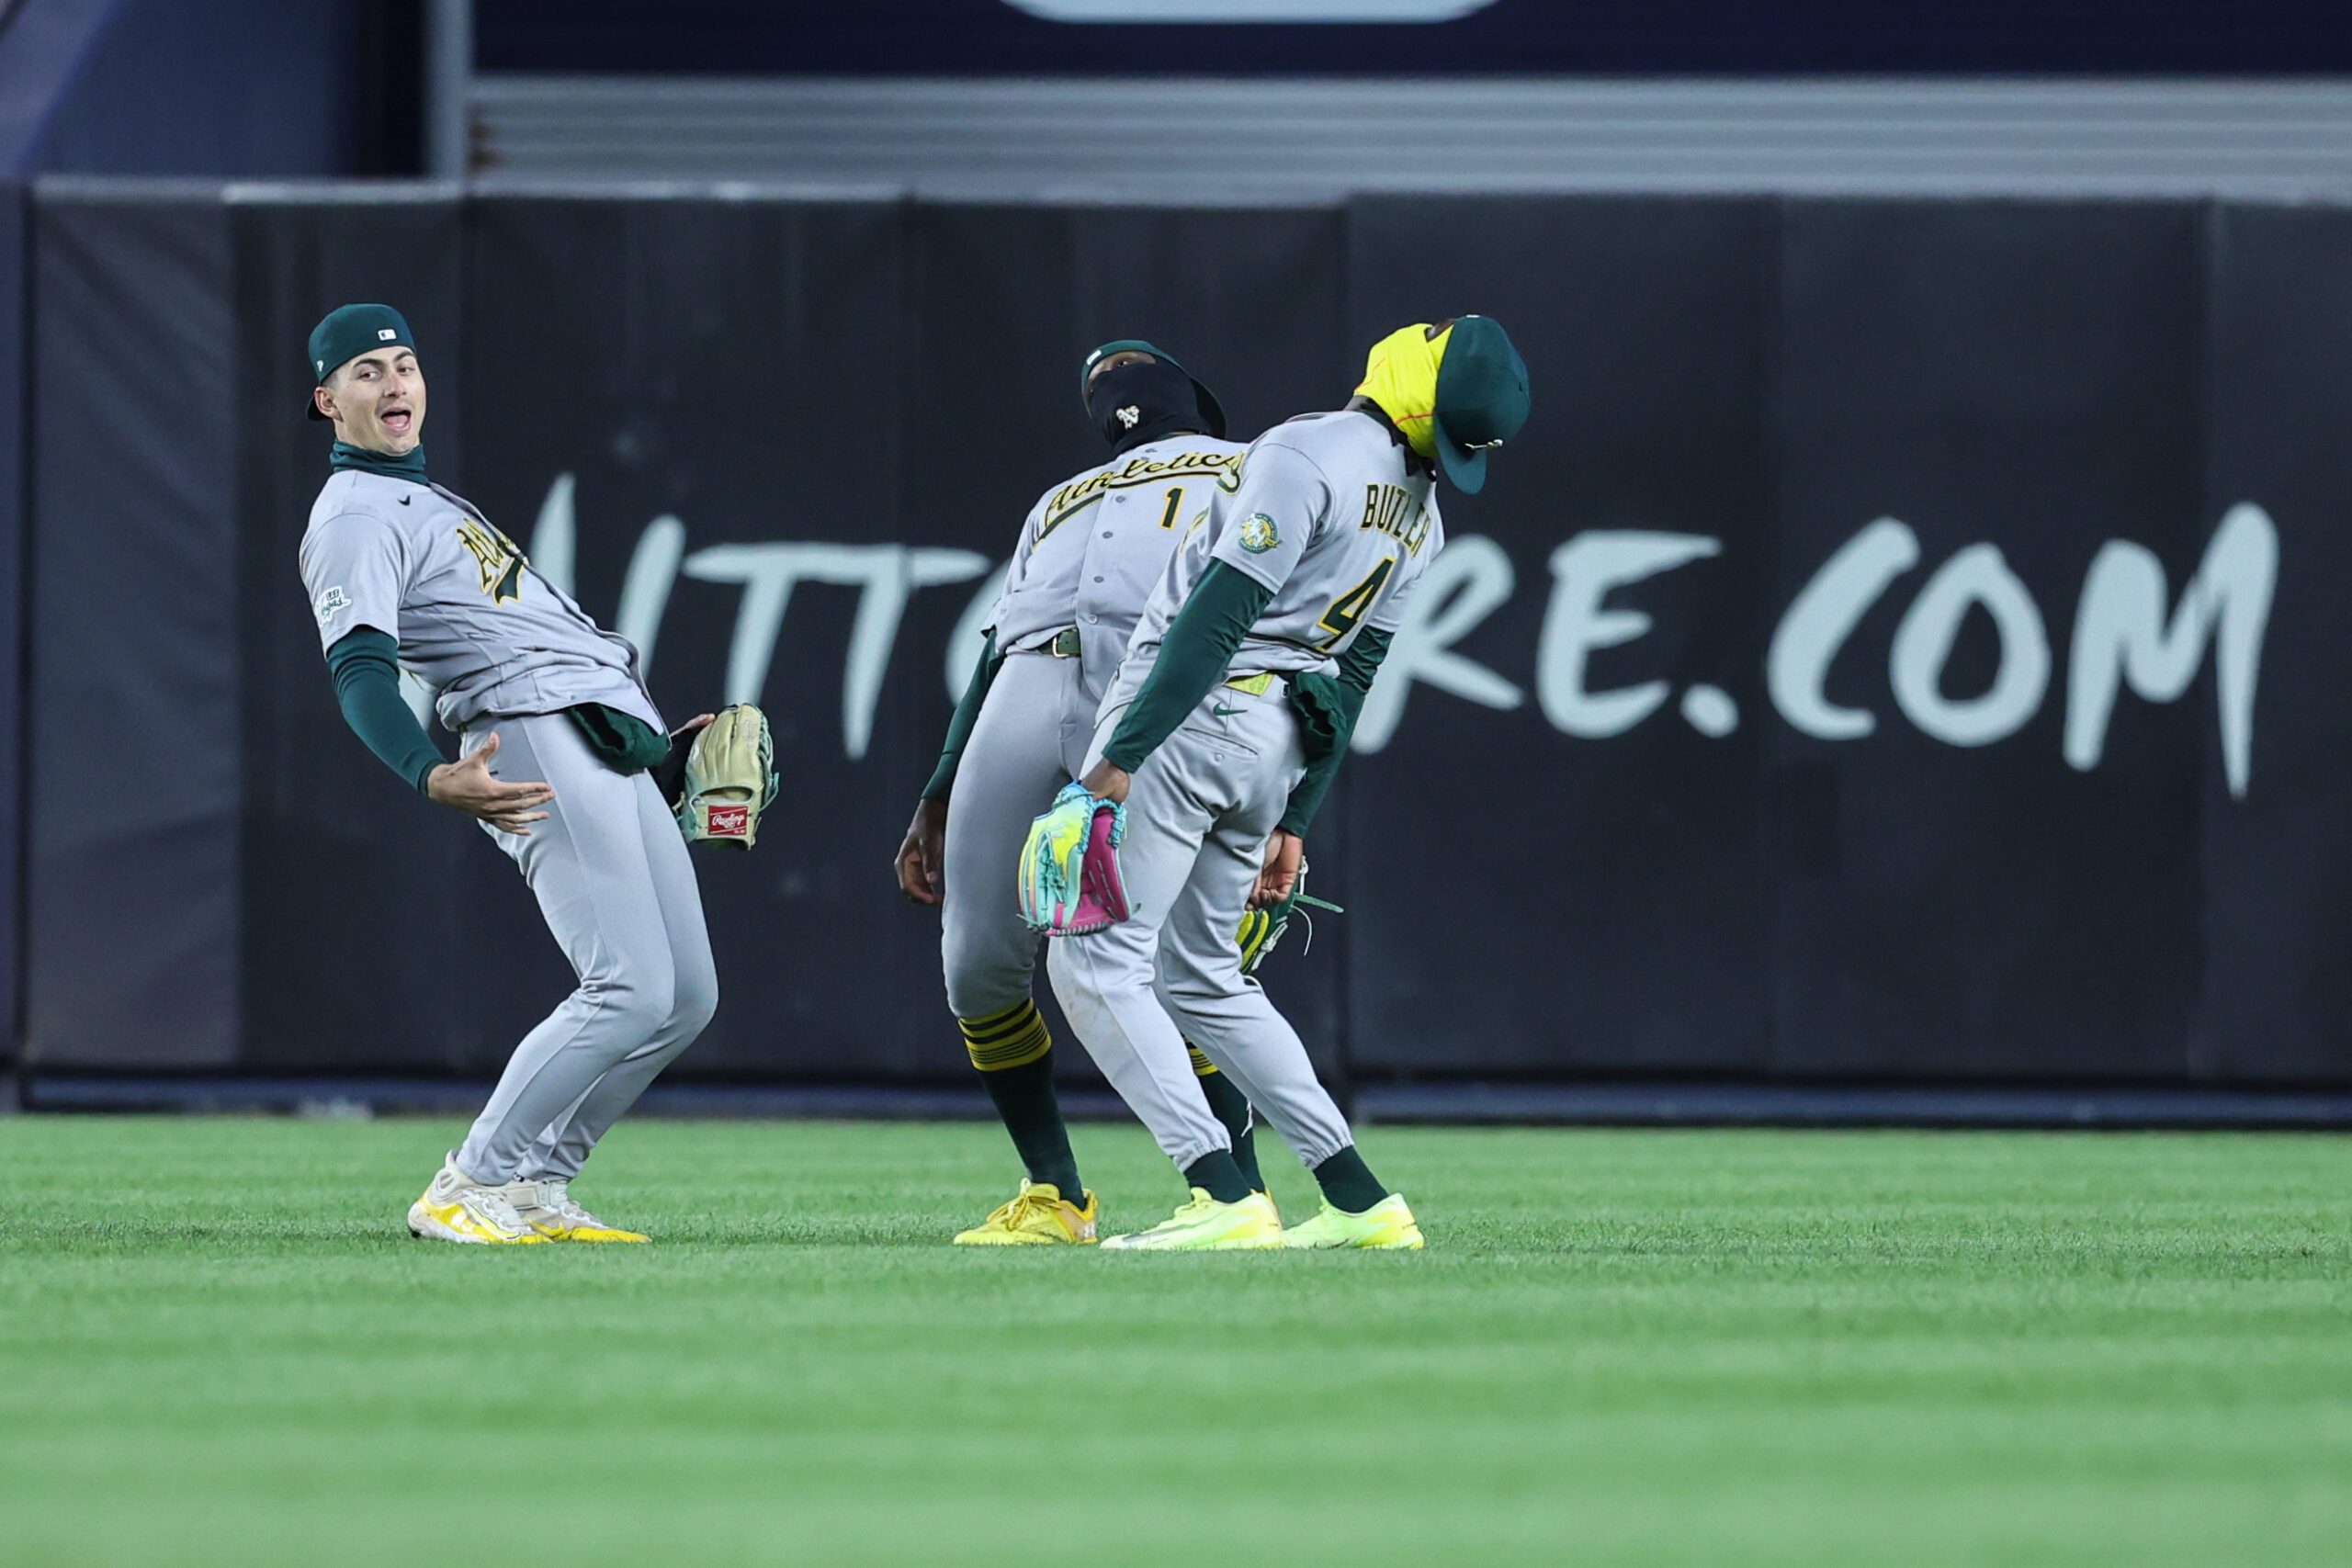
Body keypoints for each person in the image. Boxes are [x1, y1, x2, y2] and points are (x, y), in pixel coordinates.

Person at [1044, 316, 1531, 1251]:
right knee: (1204, 978)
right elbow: (1352, 679)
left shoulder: (1308, 452)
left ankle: (1220, 1194)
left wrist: (1114, 766)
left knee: (1091, 957)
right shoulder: (1420, 516)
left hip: (1196, 716)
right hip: (1274, 745)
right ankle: (1359, 1201)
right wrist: (1295, 817)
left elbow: (1215, 619)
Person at [296, 303, 721, 1246]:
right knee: (627, 986)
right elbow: (359, 668)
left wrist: (659, 751)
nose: (393, 383)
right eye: (366, 372)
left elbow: (546, 640)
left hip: (587, 727)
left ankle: (534, 1186)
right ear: (327, 401)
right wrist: (423, 772)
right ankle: (469, 1181)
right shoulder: (355, 514)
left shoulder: (423, 498)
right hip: (522, 734)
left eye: (403, 364)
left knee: (685, 996)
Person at [894, 341, 1282, 1245]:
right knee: (974, 962)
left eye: (1132, 370)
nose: (1115, 384)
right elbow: (995, 647)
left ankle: (1238, 1196)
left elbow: (1284, 631)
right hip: (1030, 685)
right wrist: (939, 786)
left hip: (1159, 688)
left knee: (1170, 961)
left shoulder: (1258, 468)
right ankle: (1054, 1195)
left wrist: (1277, 802)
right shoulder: (1060, 498)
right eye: (1100, 380)